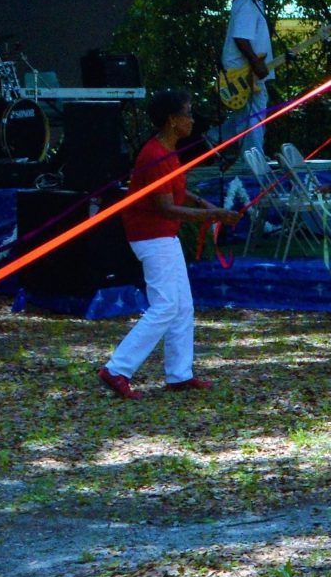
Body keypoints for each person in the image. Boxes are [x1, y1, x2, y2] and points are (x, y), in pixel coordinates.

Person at [100, 90, 244, 399]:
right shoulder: (153, 155)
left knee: (182, 306)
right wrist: (213, 213)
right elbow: (165, 206)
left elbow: (176, 190)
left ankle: (180, 374)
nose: (192, 120)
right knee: (165, 305)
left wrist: (201, 202)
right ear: (172, 120)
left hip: (164, 234)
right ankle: (116, 369)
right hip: (152, 235)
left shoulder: (168, 149)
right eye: (188, 114)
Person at [220, 0, 280, 160]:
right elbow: (241, 38)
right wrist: (256, 63)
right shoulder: (246, 4)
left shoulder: (254, 3)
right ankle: (253, 160)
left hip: (251, 68)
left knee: (246, 114)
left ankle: (213, 138)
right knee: (254, 115)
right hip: (245, 70)